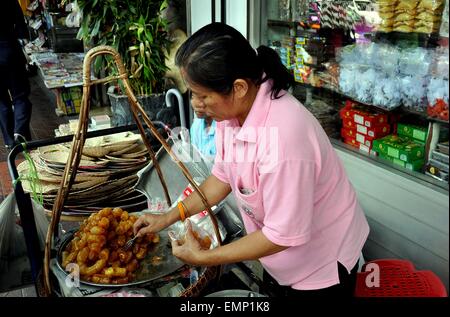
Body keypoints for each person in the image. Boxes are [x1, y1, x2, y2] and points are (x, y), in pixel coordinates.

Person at [134, 22, 370, 297]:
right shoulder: (232, 114)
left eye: (202, 95)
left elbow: (280, 235)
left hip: (321, 268)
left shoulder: (285, 138)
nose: (195, 104)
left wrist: (206, 258)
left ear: (239, 87)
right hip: (281, 260)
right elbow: (220, 179)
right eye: (193, 94)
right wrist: (166, 218)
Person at [0, 0, 32, 149]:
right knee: (20, 96)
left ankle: (8, 140)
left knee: (1, 101)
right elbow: (20, 25)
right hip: (10, 51)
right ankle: (20, 132)